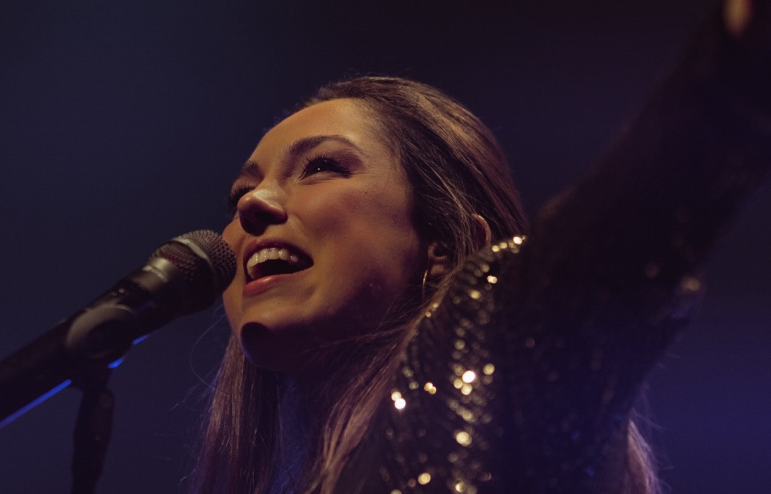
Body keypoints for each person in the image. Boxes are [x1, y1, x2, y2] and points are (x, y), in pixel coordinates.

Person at [188, 1, 770, 492]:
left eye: (320, 167)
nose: (253, 203)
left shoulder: (495, 344)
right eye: (239, 193)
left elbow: (622, 228)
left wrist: (735, 59)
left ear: (443, 247)